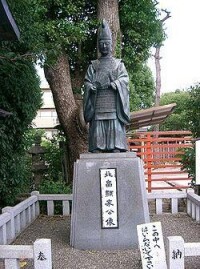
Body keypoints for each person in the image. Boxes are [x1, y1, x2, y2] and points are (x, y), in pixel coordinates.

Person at [83, 19, 130, 153]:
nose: (104, 46)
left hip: (113, 102)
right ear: (98, 45)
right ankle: (97, 146)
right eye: (101, 43)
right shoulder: (93, 65)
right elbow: (87, 81)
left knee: (114, 122)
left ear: (111, 45)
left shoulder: (118, 64)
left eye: (106, 43)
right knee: (98, 124)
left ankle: (116, 145)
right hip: (98, 101)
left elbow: (125, 79)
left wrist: (117, 83)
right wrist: (90, 87)